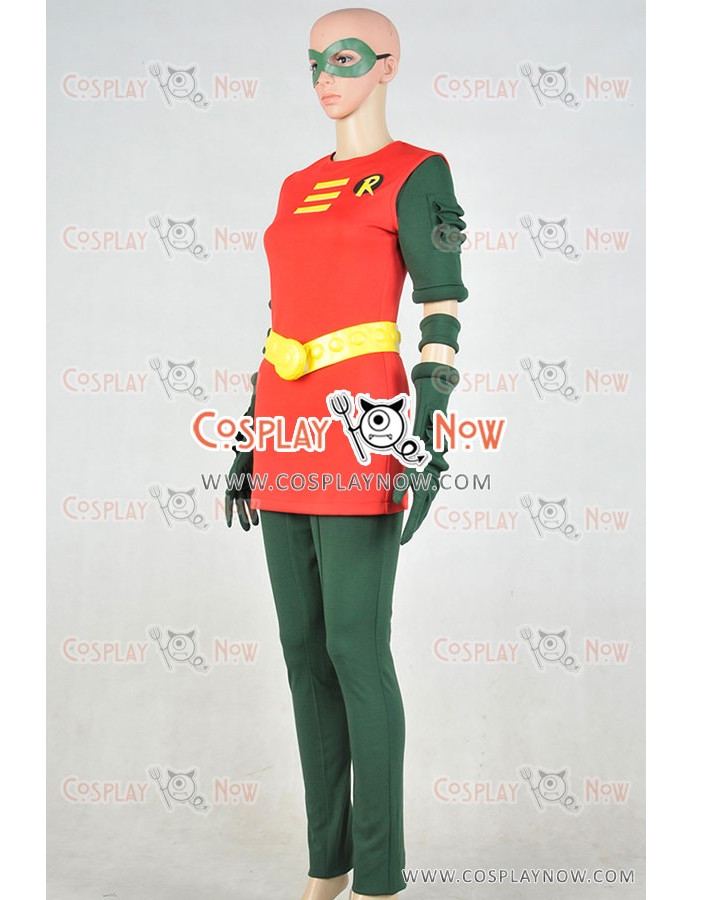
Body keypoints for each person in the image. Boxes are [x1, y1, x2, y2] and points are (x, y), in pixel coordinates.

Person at [225, 8, 468, 898]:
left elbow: (441, 308)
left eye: (346, 57)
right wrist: (250, 431)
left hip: (363, 429)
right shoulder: (296, 185)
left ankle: (380, 872)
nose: (326, 76)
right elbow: (283, 316)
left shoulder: (417, 172)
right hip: (284, 430)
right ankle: (326, 865)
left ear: (387, 65)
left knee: (357, 651)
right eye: (315, 62)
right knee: (302, 650)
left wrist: (428, 424)